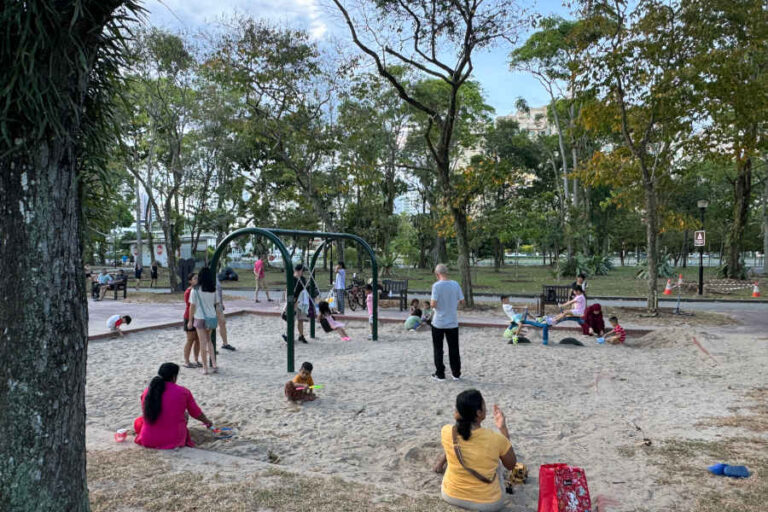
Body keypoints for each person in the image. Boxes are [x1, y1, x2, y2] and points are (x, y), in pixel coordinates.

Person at [433, 389, 517, 511]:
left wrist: (440, 464)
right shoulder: (496, 439)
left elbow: (451, 448)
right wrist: (503, 428)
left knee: (454, 456)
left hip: (450, 495)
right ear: (479, 413)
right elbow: (511, 465)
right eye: (484, 405)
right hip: (488, 503)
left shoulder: (446, 431)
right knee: (498, 465)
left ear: (457, 413)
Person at [134, 363, 213, 449]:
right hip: (173, 440)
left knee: (139, 421)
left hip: (147, 439)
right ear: (174, 377)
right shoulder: (183, 391)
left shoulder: (149, 391)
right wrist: (207, 422)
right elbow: (196, 413)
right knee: (184, 414)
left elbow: (146, 410)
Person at [430, 264, 464, 381]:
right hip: (452, 321)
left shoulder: (436, 286)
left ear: (437, 274)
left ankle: (440, 373)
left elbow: (433, 304)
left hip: (439, 321)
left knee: (438, 348)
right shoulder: (455, 284)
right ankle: (456, 373)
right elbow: (462, 300)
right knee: (454, 348)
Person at [188, 267, 219, 375]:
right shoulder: (213, 289)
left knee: (202, 343)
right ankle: (214, 364)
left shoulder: (195, 290)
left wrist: (190, 320)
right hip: (211, 317)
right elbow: (216, 303)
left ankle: (205, 368)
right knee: (209, 341)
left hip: (200, 317)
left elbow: (192, 306)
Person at [282, 264, 309, 344]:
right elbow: (289, 292)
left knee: (300, 320)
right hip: (293, 302)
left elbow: (304, 290)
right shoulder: (292, 279)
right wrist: (293, 303)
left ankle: (301, 336)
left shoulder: (303, 279)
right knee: (291, 320)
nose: (303, 272)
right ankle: (288, 335)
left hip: (300, 302)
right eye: (302, 271)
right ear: (298, 270)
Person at [182, 273, 201, 369]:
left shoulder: (198, 290)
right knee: (190, 339)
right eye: (195, 278)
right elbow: (190, 306)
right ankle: (186, 361)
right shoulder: (189, 291)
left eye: (197, 278)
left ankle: (196, 359)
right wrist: (190, 321)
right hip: (189, 317)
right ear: (190, 281)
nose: (197, 279)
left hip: (197, 316)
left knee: (198, 339)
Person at [215, 278, 236, 351]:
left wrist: (221, 302)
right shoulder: (207, 275)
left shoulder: (216, 276)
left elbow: (219, 291)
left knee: (222, 322)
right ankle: (210, 346)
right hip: (211, 304)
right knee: (211, 325)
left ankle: (225, 343)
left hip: (218, 304)